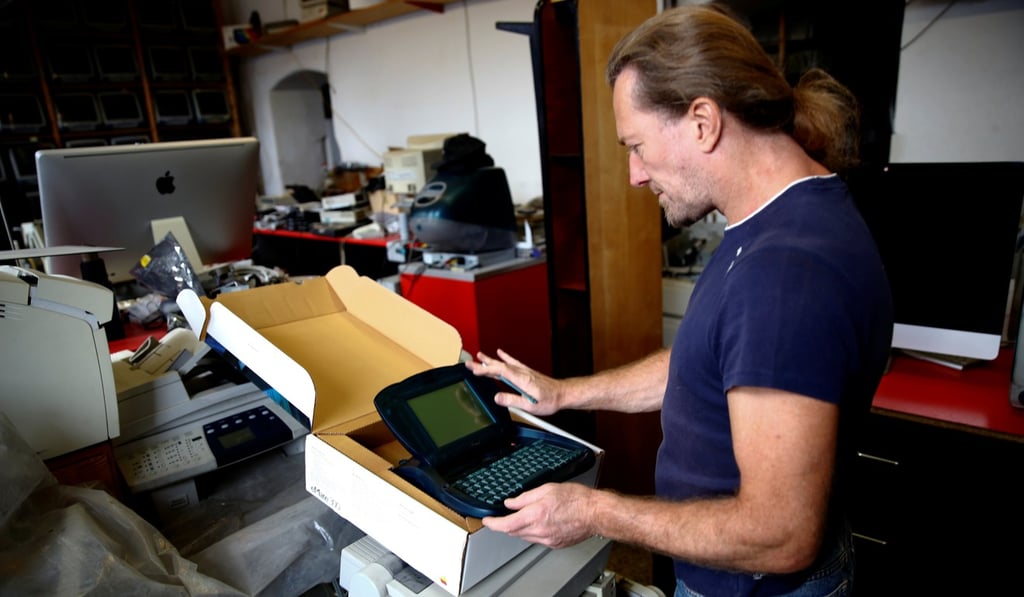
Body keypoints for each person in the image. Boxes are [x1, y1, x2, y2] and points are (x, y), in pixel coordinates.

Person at [465, 4, 894, 596]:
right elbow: (707, 361)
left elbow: (780, 533)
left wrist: (593, 512)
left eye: (637, 145)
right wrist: (567, 393)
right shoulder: (768, 221)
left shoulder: (786, 272)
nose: (635, 174)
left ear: (702, 121)